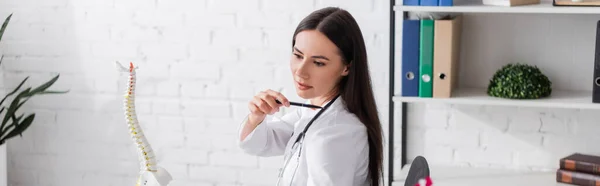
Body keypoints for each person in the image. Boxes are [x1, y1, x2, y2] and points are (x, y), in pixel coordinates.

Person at [237, 7, 383, 186]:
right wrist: (256, 116)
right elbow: (258, 143)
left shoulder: (335, 134)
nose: (301, 71)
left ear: (347, 67)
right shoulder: (316, 108)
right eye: (298, 55)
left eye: (318, 63)